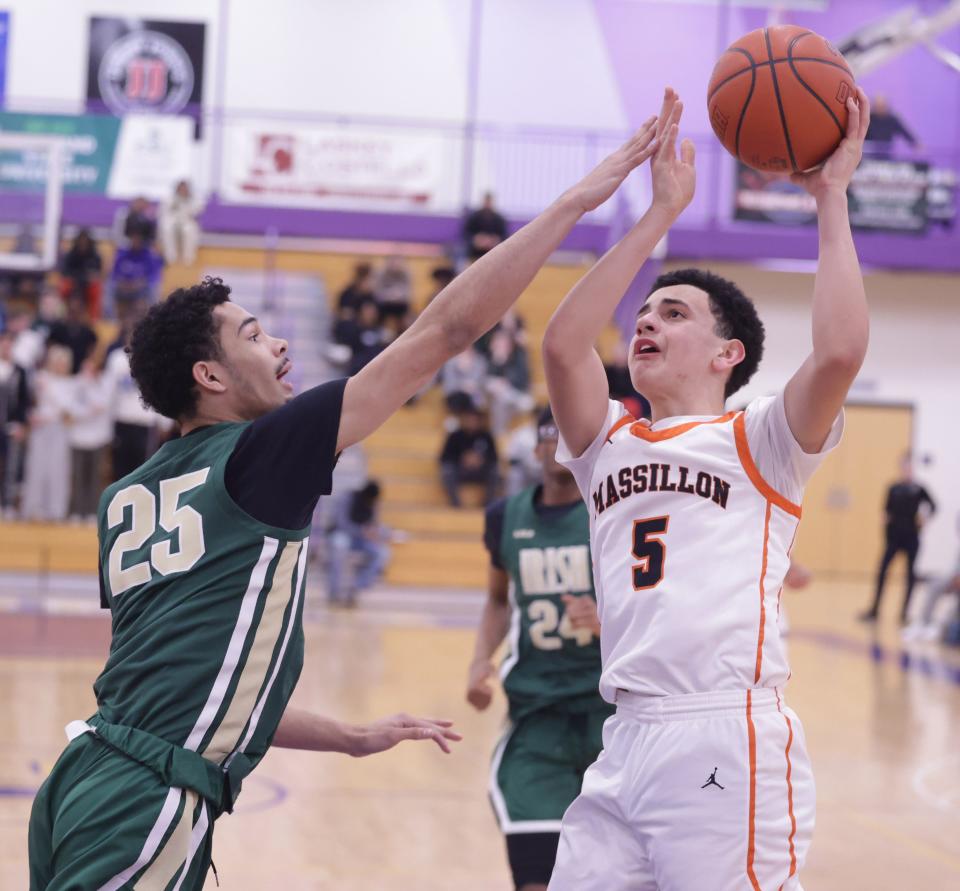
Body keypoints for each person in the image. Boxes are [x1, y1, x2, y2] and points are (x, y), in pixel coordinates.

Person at [28, 117, 661, 889]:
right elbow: (449, 328)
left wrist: (351, 735)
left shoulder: (127, 495)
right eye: (256, 336)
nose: (281, 346)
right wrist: (571, 206)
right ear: (212, 378)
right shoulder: (260, 454)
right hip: (145, 801)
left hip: (90, 777)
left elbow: (181, 685)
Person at [540, 87, 871, 890]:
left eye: (675, 313)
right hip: (624, 740)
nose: (647, 322)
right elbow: (563, 341)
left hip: (723, 732)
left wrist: (831, 199)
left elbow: (838, 354)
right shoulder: (607, 442)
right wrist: (657, 218)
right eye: (645, 313)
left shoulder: (760, 438)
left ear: (728, 354)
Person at [466, 405, 612, 891]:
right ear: (535, 448)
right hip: (537, 715)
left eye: (568, 436)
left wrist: (607, 623)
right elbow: (496, 600)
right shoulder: (504, 517)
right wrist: (479, 660)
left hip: (611, 720)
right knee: (535, 877)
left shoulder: (614, 514)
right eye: (548, 436)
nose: (557, 445)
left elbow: (662, 608)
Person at [860, 454, 936, 624]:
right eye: (904, 467)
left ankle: (904, 614)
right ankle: (874, 610)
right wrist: (885, 520)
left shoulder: (919, 489)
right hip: (894, 538)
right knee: (882, 572)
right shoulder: (893, 488)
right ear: (901, 469)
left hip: (911, 538)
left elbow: (933, 506)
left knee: (910, 576)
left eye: (910, 468)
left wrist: (924, 517)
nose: (907, 471)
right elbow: (886, 510)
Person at [20, 345, 73, 523]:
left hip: (59, 430)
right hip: (40, 430)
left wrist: (50, 415)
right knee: (36, 467)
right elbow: (30, 401)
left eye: (64, 363)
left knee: (57, 470)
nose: (61, 366)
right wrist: (33, 417)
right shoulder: (41, 377)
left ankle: (56, 511)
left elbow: (66, 409)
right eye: (58, 362)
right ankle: (33, 509)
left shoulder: (70, 384)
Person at [325, 480, 390, 606]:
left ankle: (356, 587)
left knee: (381, 553)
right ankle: (334, 592)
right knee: (339, 546)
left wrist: (376, 533)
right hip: (341, 534)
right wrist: (362, 531)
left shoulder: (373, 504)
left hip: (360, 539)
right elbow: (341, 523)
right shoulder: (347, 498)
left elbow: (373, 524)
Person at [902, 512, 960, 642]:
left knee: (950, 631)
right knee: (936, 584)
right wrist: (954, 577)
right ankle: (923, 622)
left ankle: (945, 625)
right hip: (955, 580)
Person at [440, 404, 501, 508]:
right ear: (464, 420)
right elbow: (444, 457)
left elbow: (494, 457)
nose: (472, 422)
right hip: (460, 470)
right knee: (447, 471)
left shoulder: (486, 436)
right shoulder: (455, 436)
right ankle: (456, 503)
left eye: (475, 419)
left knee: (495, 472)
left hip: (481, 471)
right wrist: (462, 459)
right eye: (470, 419)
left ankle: (487, 503)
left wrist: (481, 460)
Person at [109, 231, 164, 320]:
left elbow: (153, 276)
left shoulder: (149, 256)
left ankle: (153, 317)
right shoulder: (122, 255)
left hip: (141, 289)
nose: (135, 242)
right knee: (110, 286)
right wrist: (123, 283)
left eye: (138, 239)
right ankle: (110, 318)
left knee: (153, 288)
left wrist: (139, 283)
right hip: (123, 288)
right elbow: (114, 274)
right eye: (134, 239)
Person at [47, 292, 98, 374]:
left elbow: (92, 355)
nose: (74, 315)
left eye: (77, 311)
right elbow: (49, 349)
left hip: (80, 374)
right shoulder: (57, 330)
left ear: (82, 312)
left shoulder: (88, 333)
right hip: (59, 372)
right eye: (72, 311)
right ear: (67, 310)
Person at [58, 229, 104, 320]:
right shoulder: (70, 255)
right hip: (74, 283)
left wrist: (90, 277)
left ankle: (94, 319)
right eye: (81, 242)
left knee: (96, 287)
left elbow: (97, 274)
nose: (83, 244)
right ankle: (62, 315)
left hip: (88, 284)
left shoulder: (95, 256)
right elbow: (65, 272)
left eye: (85, 242)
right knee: (63, 286)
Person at [159, 180, 204, 265]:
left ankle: (188, 259)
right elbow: (164, 212)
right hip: (172, 221)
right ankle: (171, 257)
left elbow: (196, 212)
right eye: (181, 188)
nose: (183, 190)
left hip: (187, 221)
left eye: (185, 188)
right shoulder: (169, 198)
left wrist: (187, 202)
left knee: (189, 230)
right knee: (167, 228)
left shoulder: (194, 199)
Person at [864, 93, 919, 157]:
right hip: (869, 155)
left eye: (882, 106)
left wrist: (915, 144)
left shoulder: (892, 119)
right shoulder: (867, 118)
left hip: (887, 154)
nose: (880, 108)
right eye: (878, 106)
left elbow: (905, 132)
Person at [464, 191, 508, 261]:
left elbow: (505, 236)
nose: (487, 203)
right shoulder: (474, 217)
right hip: (475, 252)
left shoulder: (499, 219)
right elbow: (465, 234)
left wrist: (495, 240)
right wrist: (476, 240)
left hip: (494, 253)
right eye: (486, 201)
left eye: (489, 201)